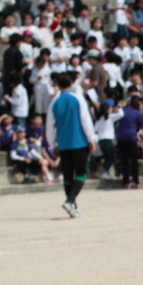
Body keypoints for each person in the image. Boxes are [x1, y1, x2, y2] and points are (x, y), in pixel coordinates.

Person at [47, 72, 97, 218]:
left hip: (63, 143)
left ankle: (73, 206)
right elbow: (86, 121)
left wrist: (52, 144)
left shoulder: (54, 103)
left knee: (68, 175)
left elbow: (49, 127)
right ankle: (70, 201)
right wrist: (91, 139)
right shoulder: (78, 99)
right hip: (79, 141)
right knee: (81, 173)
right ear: (71, 84)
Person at [117, 96, 143, 189]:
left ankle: (126, 181)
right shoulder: (137, 113)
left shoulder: (123, 111)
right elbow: (140, 125)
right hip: (132, 137)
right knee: (134, 161)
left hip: (121, 137)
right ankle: (135, 181)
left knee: (124, 160)